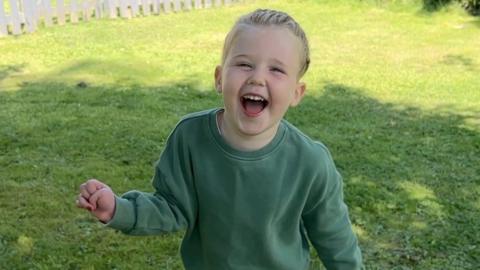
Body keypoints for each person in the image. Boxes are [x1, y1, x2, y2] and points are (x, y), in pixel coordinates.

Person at [76, 9, 363, 270]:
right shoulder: (190, 138)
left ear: (296, 93)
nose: (257, 78)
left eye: (276, 70)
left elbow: (334, 237)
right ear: (218, 78)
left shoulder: (310, 162)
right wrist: (118, 209)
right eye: (244, 64)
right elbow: (171, 207)